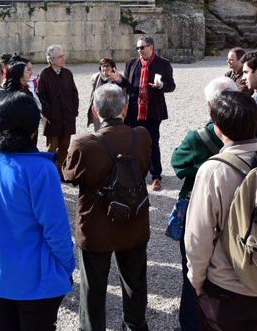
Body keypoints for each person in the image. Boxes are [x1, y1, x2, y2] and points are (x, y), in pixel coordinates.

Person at [0, 92, 75, 331]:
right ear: (33, 128)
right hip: (34, 276)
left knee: (2, 324)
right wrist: (67, 267)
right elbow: (56, 230)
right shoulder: (42, 169)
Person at [184, 91, 257, 330]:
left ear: (219, 129)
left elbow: (198, 237)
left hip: (227, 289)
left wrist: (197, 281)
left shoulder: (213, 170)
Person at [63, 84, 152, 331]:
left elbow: (69, 175)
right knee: (135, 282)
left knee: (93, 286)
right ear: (124, 110)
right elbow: (144, 166)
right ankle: (135, 325)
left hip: (96, 225)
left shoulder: (84, 143)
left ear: (94, 110)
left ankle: (92, 328)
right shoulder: (142, 136)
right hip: (133, 219)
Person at [170, 76, 236, 331]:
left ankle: (190, 324)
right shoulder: (250, 130)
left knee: (192, 273)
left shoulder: (199, 137)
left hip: (199, 211)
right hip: (236, 212)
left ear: (210, 105)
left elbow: (178, 164)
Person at [121, 35, 176, 191]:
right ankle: (135, 174)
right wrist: (119, 80)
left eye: (142, 47)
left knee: (152, 144)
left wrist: (160, 86)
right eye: (138, 47)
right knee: (133, 144)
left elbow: (171, 85)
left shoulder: (163, 64)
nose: (139, 50)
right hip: (133, 110)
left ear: (151, 47)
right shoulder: (131, 63)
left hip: (152, 111)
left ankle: (156, 176)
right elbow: (127, 84)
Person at [36, 45, 79, 179]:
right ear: (51, 60)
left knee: (64, 149)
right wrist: (48, 113)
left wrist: (73, 110)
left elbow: (74, 93)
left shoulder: (68, 73)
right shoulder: (44, 74)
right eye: (60, 57)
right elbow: (40, 95)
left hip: (67, 117)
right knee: (51, 149)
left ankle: (60, 172)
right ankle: (51, 174)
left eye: (63, 55)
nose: (64, 58)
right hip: (52, 120)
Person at [86, 58, 128, 132]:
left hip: (113, 110)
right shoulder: (95, 78)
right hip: (99, 108)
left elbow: (124, 92)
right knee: (98, 131)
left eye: (108, 66)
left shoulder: (118, 78)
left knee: (113, 131)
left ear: (112, 68)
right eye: (103, 66)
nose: (105, 68)